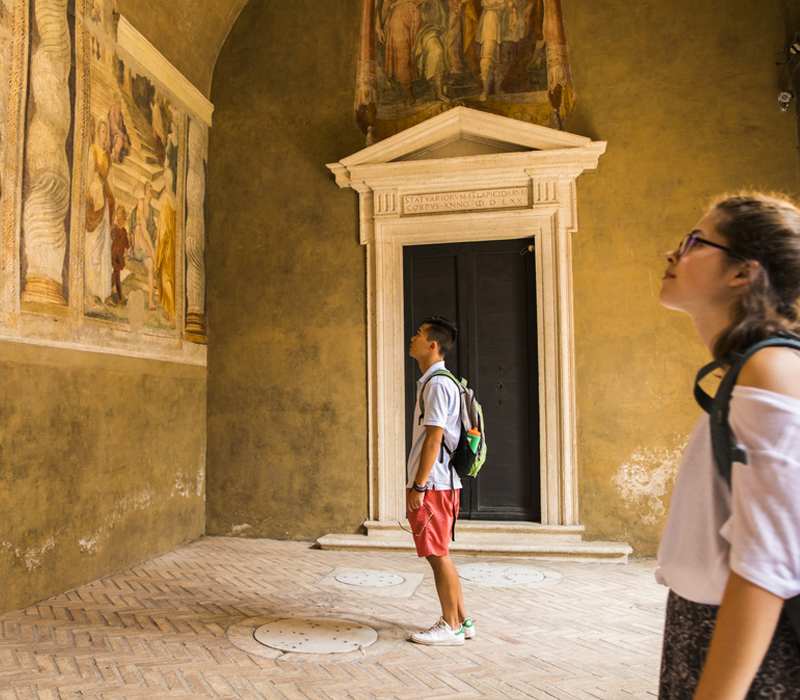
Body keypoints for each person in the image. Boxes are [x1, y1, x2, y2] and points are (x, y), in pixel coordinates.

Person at [656, 193, 800, 700]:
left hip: (751, 651)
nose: (673, 255)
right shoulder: (747, 372)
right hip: (698, 627)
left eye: (693, 243)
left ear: (743, 273)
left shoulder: (771, 370)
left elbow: (766, 565)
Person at [406, 316, 474, 645]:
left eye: (418, 335)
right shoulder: (440, 382)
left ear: (432, 346)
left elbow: (434, 439)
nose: (412, 338)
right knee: (441, 552)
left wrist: (418, 486)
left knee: (437, 555)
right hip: (442, 483)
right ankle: (463, 620)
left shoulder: (436, 384)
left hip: (434, 484)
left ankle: (450, 627)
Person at [85, 118, 114, 309]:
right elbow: (89, 178)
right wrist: (93, 196)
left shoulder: (106, 155)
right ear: (98, 133)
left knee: (104, 250)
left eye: (107, 134)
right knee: (93, 246)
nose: (105, 136)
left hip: (104, 198)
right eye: (103, 133)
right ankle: (90, 292)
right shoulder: (93, 150)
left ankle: (105, 293)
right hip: (95, 200)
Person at [110, 205, 129, 305]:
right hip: (114, 255)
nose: (119, 216)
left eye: (121, 214)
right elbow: (113, 238)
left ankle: (108, 294)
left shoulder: (124, 231)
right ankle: (120, 298)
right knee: (116, 276)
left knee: (115, 276)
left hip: (120, 257)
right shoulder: (114, 228)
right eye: (117, 214)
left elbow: (127, 245)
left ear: (124, 217)